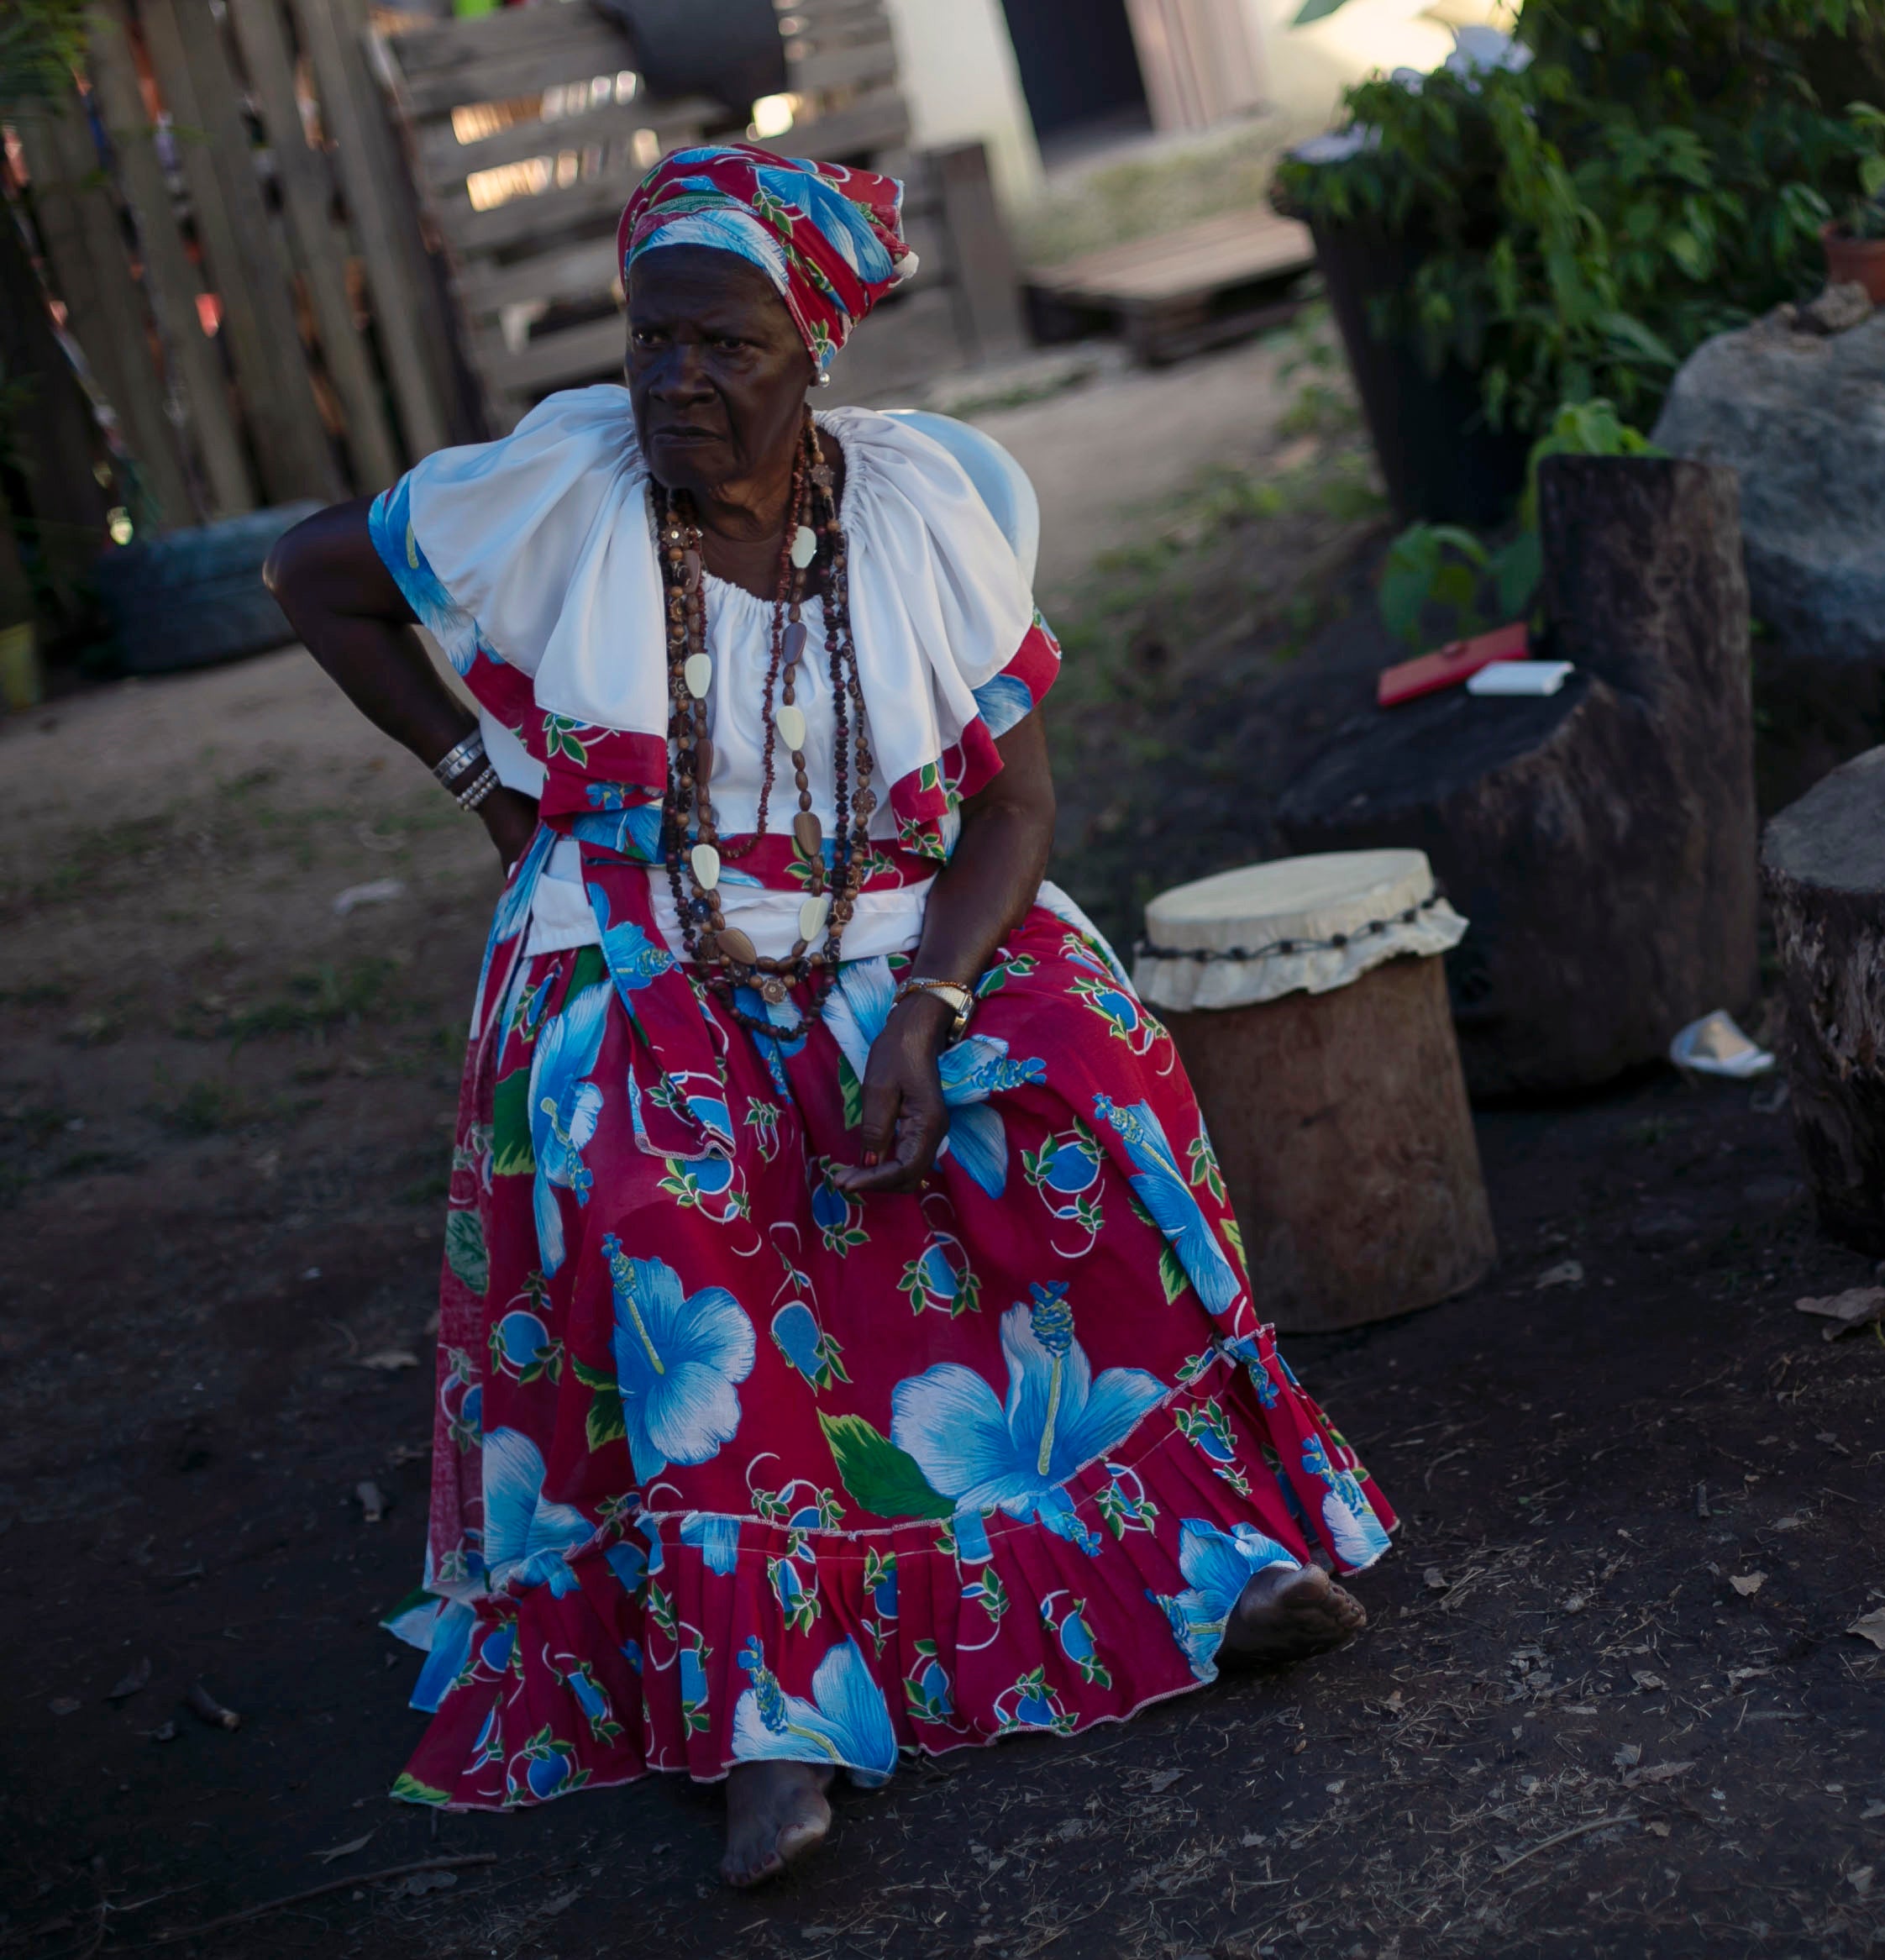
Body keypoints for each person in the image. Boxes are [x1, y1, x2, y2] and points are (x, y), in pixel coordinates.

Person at [267, 145, 1391, 1888]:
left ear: (814, 356)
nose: (673, 384)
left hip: (902, 922)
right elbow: (308, 576)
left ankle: (1195, 1561)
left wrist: (928, 1014)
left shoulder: (920, 509)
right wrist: (484, 784)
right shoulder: (558, 488)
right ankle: (767, 1715)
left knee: (1091, 1074)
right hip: (645, 932)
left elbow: (1012, 813)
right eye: (651, 341)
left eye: (724, 349)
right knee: (670, 1191)